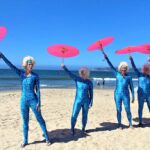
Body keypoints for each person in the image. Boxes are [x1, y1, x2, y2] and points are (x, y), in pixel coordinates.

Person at [0, 52, 51, 147]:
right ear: (25, 65)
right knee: (25, 121)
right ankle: (25, 141)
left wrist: (39, 103)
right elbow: (11, 65)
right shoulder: (21, 74)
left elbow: (38, 90)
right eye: (29, 64)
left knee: (40, 119)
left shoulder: (35, 76)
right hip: (23, 101)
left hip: (33, 100)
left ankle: (47, 139)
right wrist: (2, 56)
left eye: (32, 64)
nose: (30, 65)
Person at [101, 51, 134, 129]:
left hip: (126, 95)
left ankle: (130, 123)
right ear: (120, 68)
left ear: (126, 69)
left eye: (125, 68)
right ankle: (119, 124)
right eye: (122, 68)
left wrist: (133, 96)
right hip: (117, 94)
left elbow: (132, 87)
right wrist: (107, 58)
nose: (124, 70)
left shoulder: (129, 77)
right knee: (119, 109)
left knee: (127, 109)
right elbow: (111, 66)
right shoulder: (117, 74)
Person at [61, 63, 93, 135]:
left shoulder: (89, 82)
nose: (83, 75)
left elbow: (91, 93)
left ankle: (83, 128)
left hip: (86, 101)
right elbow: (69, 74)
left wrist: (91, 102)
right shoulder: (77, 79)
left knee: (85, 115)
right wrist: (64, 67)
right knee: (74, 114)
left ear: (87, 74)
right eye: (82, 73)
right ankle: (72, 129)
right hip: (77, 101)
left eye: (84, 73)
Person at [129, 56, 150, 127]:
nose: (146, 70)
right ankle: (140, 122)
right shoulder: (139, 75)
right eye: (145, 69)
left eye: (147, 69)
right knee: (140, 108)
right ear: (143, 69)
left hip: (149, 95)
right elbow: (134, 68)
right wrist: (131, 60)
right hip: (140, 94)